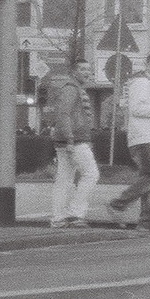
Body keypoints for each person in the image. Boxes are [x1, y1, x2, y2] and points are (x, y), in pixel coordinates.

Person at [107, 52, 150, 232]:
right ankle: (118, 205)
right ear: (147, 65)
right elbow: (136, 109)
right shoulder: (141, 83)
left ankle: (147, 220)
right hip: (143, 137)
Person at [47, 58, 99, 228]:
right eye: (83, 69)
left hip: (68, 140)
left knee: (64, 179)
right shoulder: (72, 89)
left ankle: (58, 218)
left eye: (88, 69)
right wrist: (70, 139)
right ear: (74, 72)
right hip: (74, 140)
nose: (87, 72)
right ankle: (74, 213)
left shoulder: (74, 88)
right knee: (91, 174)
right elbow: (64, 114)